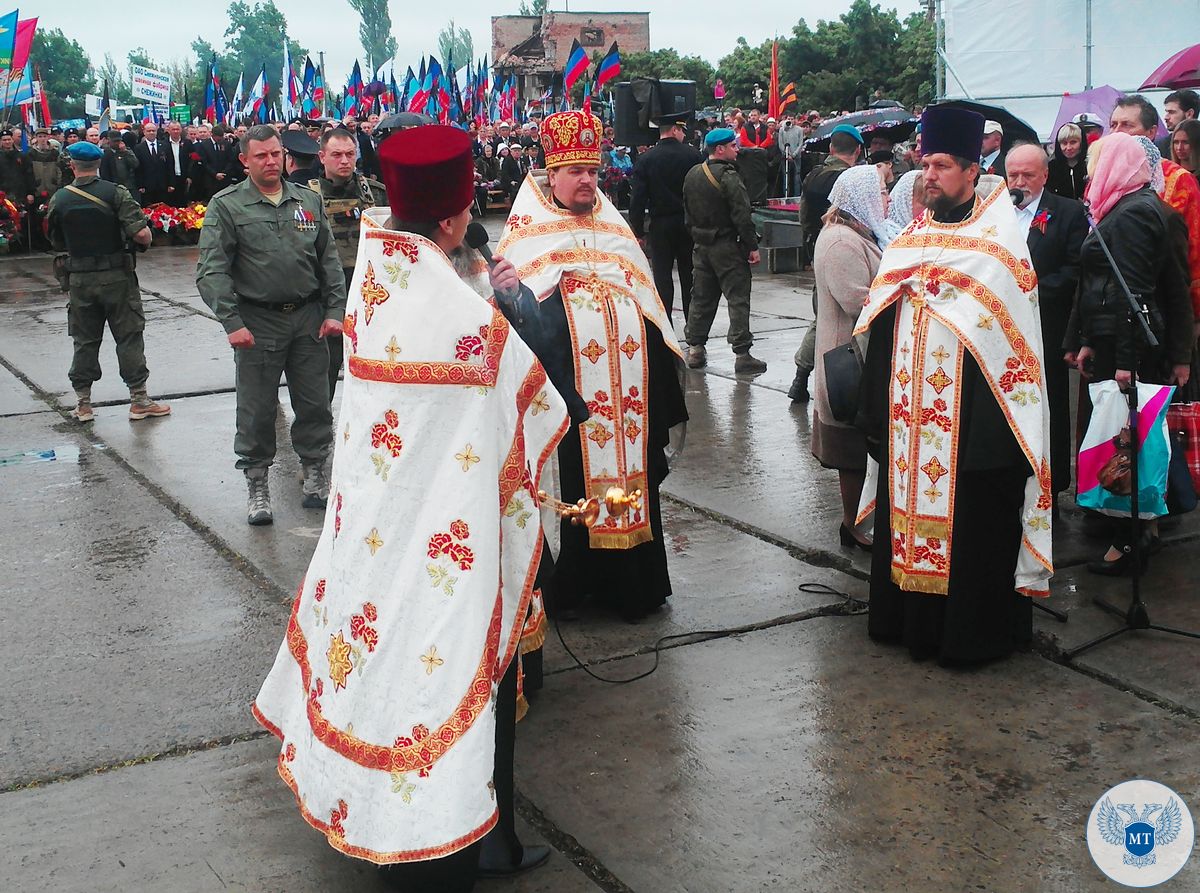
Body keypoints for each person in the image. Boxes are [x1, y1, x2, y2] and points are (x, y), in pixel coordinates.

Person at [253, 124, 564, 891]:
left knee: (378, 666)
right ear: (458, 218)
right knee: (456, 674)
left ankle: (364, 809)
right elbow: (542, 408)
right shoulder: (471, 324)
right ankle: (467, 841)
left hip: (375, 528)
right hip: (449, 541)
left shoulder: (375, 281)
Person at [855, 105, 1053, 664]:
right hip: (908, 424)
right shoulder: (908, 244)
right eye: (926, 163)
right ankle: (906, 625)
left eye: (942, 165)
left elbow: (1013, 352)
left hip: (972, 430)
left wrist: (986, 438)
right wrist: (877, 414)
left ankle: (968, 638)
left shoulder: (999, 248)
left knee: (971, 532)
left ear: (971, 171)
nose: (929, 175)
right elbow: (883, 327)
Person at [492, 109, 689, 623]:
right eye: (576, 171)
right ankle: (581, 586)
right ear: (550, 174)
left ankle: (639, 587)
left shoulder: (613, 225)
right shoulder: (528, 235)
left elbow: (647, 298)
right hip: (576, 396)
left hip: (632, 394)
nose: (586, 180)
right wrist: (516, 298)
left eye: (593, 171)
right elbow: (520, 321)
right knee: (580, 488)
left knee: (639, 479)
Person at [196, 125, 346, 526]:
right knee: (257, 408)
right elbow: (212, 271)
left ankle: (315, 473)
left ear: (285, 156)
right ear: (244, 160)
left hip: (308, 319)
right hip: (257, 322)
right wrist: (231, 321)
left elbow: (328, 262)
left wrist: (335, 311)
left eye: (276, 154)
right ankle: (257, 484)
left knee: (315, 402)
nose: (270, 161)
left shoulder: (307, 201)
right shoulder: (227, 206)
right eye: (261, 155)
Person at [1064, 133, 1195, 574]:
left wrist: (1125, 362)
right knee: (1131, 443)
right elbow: (1099, 288)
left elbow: (1133, 295)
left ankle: (1131, 542)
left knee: (1130, 443)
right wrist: (1083, 339)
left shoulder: (1134, 213)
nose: (1090, 170)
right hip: (1118, 344)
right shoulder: (1122, 208)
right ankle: (1132, 533)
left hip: (1130, 350)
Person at [47, 141, 171, 423]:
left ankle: (83, 404)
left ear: (72, 165)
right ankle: (139, 399)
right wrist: (145, 240)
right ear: (99, 163)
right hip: (117, 277)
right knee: (128, 336)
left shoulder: (60, 198)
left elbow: (53, 238)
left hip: (79, 280)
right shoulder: (116, 193)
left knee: (84, 340)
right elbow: (141, 235)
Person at [810, 165, 896, 549]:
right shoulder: (842, 242)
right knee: (851, 451)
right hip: (846, 359)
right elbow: (856, 301)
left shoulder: (855, 234)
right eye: (880, 191)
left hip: (855, 354)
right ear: (859, 197)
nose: (887, 197)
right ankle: (853, 526)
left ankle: (861, 522)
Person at [1006, 143, 1089, 498]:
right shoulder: (996, 213)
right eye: (1013, 175)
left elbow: (1075, 271)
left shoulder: (1067, 213)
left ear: (1044, 175)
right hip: (1005, 330)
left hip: (1047, 327)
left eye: (1027, 175)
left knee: (1050, 404)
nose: (1019, 182)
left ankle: (1050, 487)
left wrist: (1032, 289)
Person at [304, 126, 388, 404]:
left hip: (370, 292)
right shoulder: (305, 197)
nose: (344, 161)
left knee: (376, 361)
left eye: (350, 154)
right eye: (337, 154)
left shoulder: (376, 194)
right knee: (325, 365)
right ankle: (320, 425)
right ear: (322, 157)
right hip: (327, 293)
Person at [681, 127, 767, 373]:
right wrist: (752, 246)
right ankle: (742, 353)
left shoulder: (693, 175)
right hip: (727, 246)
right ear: (720, 149)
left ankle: (696, 349)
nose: (737, 150)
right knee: (738, 299)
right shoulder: (729, 176)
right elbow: (742, 215)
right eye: (733, 146)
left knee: (701, 298)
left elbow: (687, 213)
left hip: (701, 246)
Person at [790, 123, 865, 401]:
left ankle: (801, 376)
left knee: (822, 315)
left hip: (817, 247)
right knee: (829, 320)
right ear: (857, 150)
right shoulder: (852, 179)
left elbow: (803, 215)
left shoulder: (814, 175)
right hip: (844, 251)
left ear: (832, 148)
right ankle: (808, 379)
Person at [1112, 95, 1200, 319]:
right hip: (1111, 307)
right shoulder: (1102, 181)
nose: (1117, 133)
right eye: (1113, 125)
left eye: (1127, 125)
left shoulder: (1179, 180)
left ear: (1151, 132)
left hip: (1163, 307)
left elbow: (1194, 255)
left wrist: (1195, 316)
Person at [628, 112, 703, 322]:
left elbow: (638, 199)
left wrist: (638, 229)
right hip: (688, 223)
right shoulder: (693, 156)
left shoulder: (646, 159)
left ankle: (665, 325)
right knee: (690, 275)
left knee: (662, 276)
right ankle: (693, 326)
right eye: (682, 131)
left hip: (660, 224)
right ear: (675, 130)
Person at [1047, 122, 1087, 200]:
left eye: (1073, 142)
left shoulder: (1090, 165)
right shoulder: (1051, 167)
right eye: (1064, 143)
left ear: (1081, 143)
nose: (1068, 147)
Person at [133, 122, 170, 205]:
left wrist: (171, 183)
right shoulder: (138, 148)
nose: (151, 133)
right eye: (149, 131)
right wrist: (140, 185)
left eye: (153, 131)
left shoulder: (165, 146)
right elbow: (138, 168)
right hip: (147, 186)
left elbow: (170, 165)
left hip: (163, 185)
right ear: (144, 132)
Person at [0, 129, 35, 211]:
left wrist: (31, 193)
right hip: (3, 195)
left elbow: (29, 175)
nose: (7, 142)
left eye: (9, 139)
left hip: (21, 195)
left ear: (12, 140)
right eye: (4, 140)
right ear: (1, 141)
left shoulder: (22, 156)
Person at [1160, 89, 1200, 157]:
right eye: (1167, 112)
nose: (1166, 117)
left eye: (1172, 112)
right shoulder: (1162, 146)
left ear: (1189, 114)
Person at [161, 121, 193, 207]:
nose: (175, 131)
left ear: (181, 130)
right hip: (170, 179)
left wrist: (190, 176)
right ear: (168, 130)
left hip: (184, 179)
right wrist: (167, 183)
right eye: (173, 129)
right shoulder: (163, 144)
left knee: (184, 205)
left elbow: (193, 160)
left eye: (177, 129)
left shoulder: (187, 143)